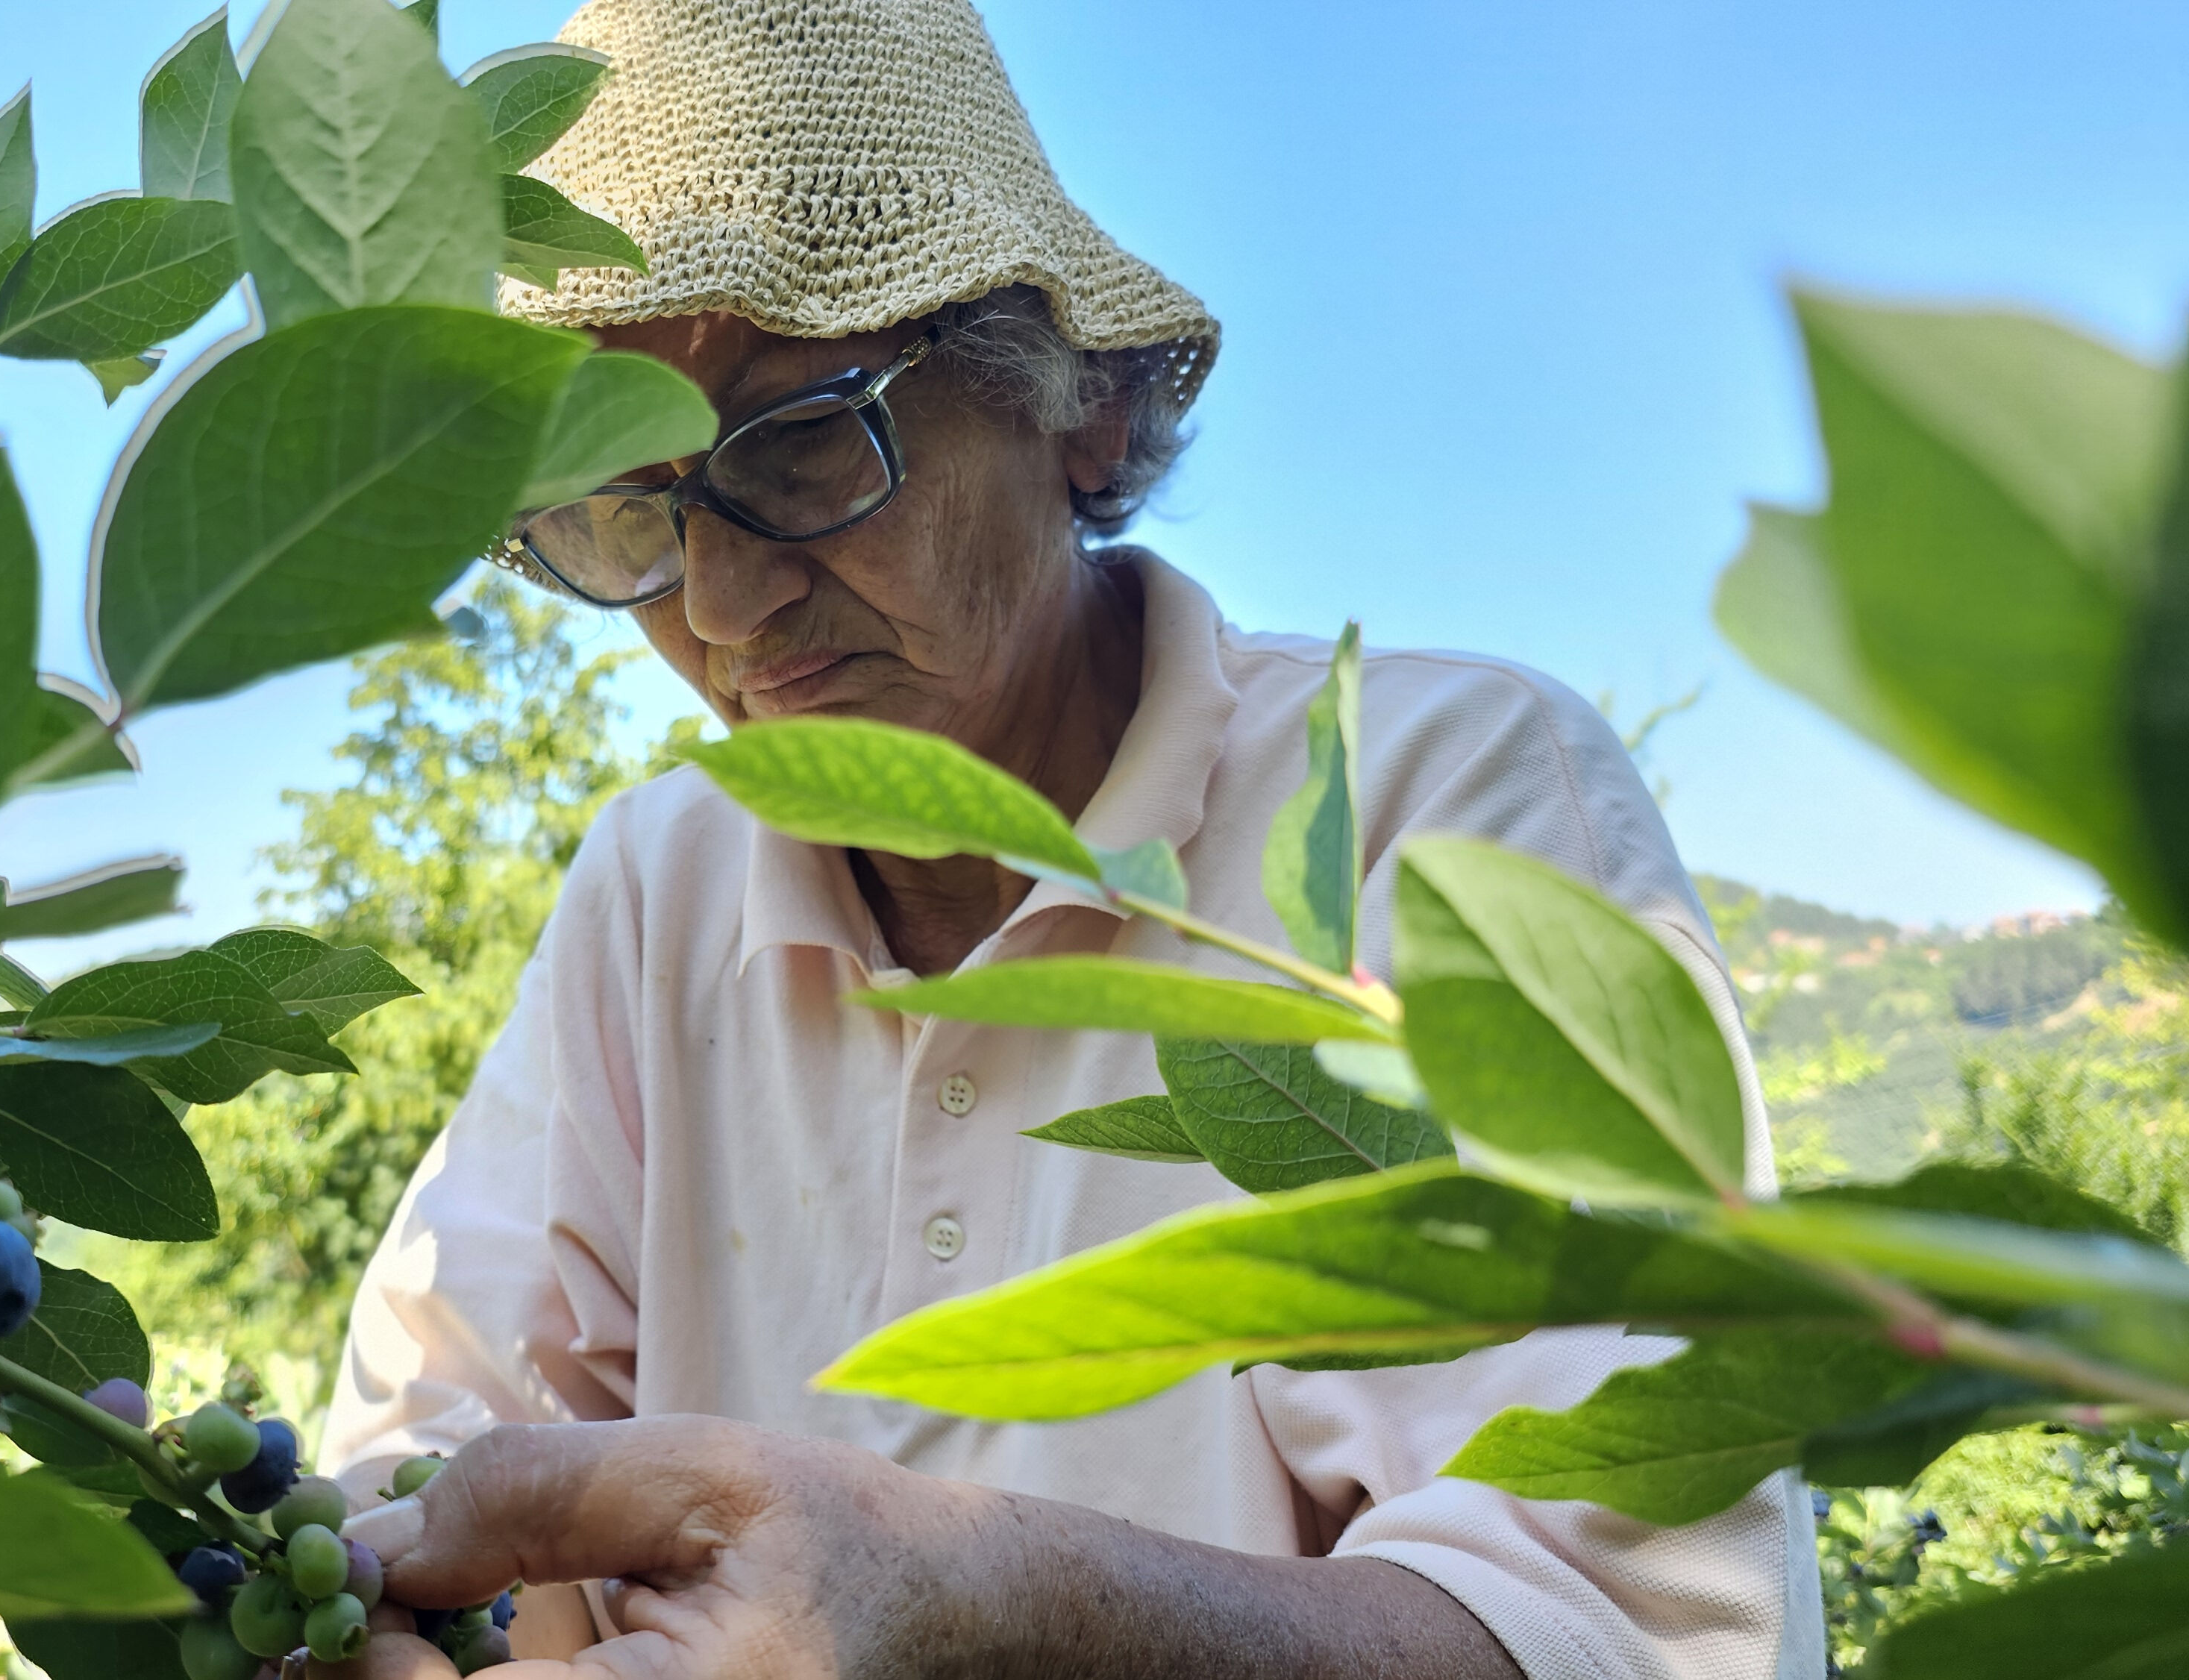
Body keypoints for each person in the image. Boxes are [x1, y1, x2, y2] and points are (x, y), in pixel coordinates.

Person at [318, 1, 1818, 1676]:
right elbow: (431, 1458)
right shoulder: (655, 893)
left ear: (1076, 406)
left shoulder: (1442, 807)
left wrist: (994, 1611)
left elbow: (1635, 1629)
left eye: (803, 445)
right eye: (624, 515)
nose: (723, 606)